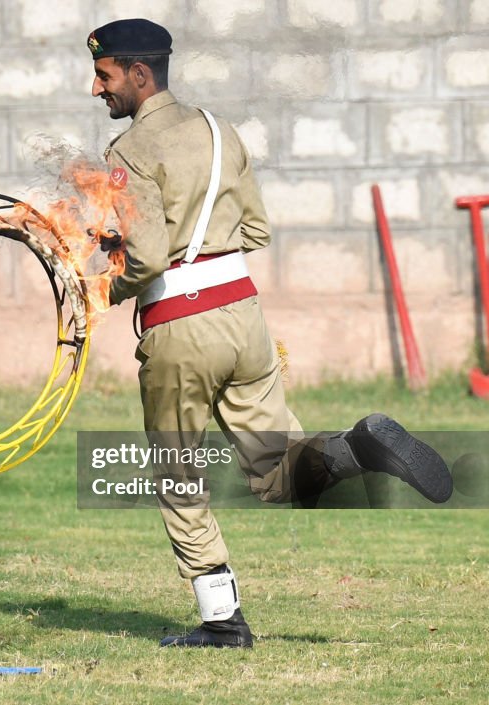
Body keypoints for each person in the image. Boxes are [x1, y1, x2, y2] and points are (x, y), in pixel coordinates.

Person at [85, 18, 454, 648]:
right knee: (276, 469)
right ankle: (356, 448)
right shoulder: (219, 131)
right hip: (245, 317)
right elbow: (256, 230)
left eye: (104, 74)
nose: (96, 89)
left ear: (138, 74)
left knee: (177, 477)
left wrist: (101, 289)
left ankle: (222, 621)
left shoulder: (128, 154)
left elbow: (144, 261)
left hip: (180, 327)